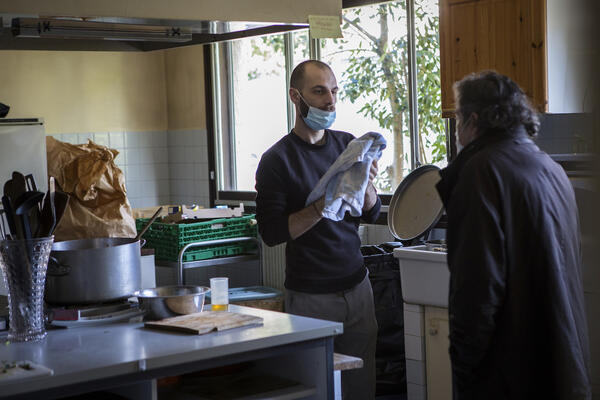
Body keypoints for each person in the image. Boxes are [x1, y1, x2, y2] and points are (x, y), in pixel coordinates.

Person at [436, 70, 591, 399]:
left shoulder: (481, 172)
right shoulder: (549, 168)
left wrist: (466, 376)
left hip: (511, 374)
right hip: (562, 365)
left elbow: (477, 293)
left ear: (473, 120)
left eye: (459, 118)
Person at [255, 60, 380, 400]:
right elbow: (272, 232)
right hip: (310, 297)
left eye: (335, 91)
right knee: (317, 386)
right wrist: (318, 207)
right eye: (319, 91)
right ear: (296, 96)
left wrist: (368, 187)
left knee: (360, 385)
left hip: (358, 288)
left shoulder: (348, 147)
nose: (330, 101)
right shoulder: (277, 160)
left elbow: (370, 212)